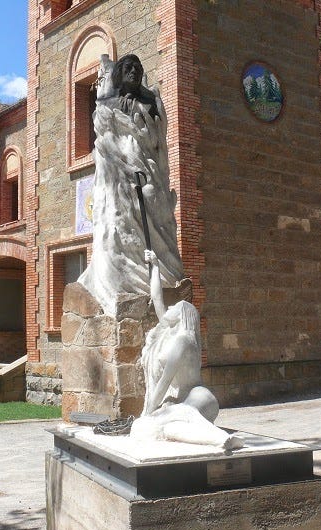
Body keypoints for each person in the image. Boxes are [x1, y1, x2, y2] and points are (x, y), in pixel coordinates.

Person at [77, 54, 183, 316]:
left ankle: (161, 273)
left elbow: (158, 133)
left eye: (138, 67)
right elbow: (104, 141)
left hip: (151, 177)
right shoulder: (107, 103)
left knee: (156, 220)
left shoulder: (150, 100)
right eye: (128, 67)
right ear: (118, 74)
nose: (134, 71)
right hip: (119, 183)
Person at [131, 250, 244, 451]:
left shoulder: (183, 341)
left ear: (182, 314)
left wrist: (148, 413)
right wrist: (155, 266)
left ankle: (220, 438)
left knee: (151, 425)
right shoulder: (179, 335)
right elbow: (157, 300)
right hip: (185, 400)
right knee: (169, 429)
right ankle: (221, 440)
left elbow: (165, 381)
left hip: (199, 398)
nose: (168, 310)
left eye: (173, 308)